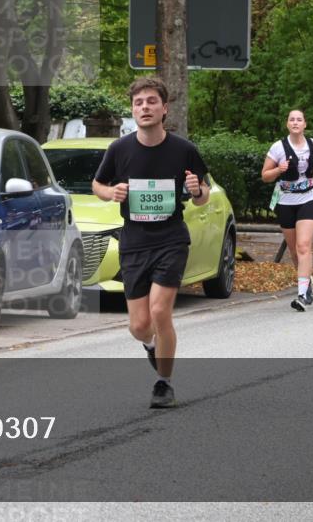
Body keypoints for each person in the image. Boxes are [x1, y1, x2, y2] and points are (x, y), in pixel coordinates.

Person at [92, 77, 210, 409]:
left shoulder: (184, 150)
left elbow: (202, 194)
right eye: (139, 103)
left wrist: (197, 190)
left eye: (151, 101)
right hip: (134, 241)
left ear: (164, 108)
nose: (145, 107)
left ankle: (164, 383)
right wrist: (111, 192)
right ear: (133, 110)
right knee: (139, 325)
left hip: (171, 239)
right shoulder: (119, 149)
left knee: (160, 311)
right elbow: (97, 185)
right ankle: (151, 346)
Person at [261, 110, 313, 311]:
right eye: (292, 119)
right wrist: (278, 169)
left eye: (299, 119)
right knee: (294, 250)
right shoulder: (278, 147)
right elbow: (265, 176)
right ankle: (307, 283)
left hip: (310, 198)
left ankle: (302, 294)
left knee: (303, 245)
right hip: (286, 201)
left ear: (305, 124)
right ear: (287, 124)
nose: (295, 122)